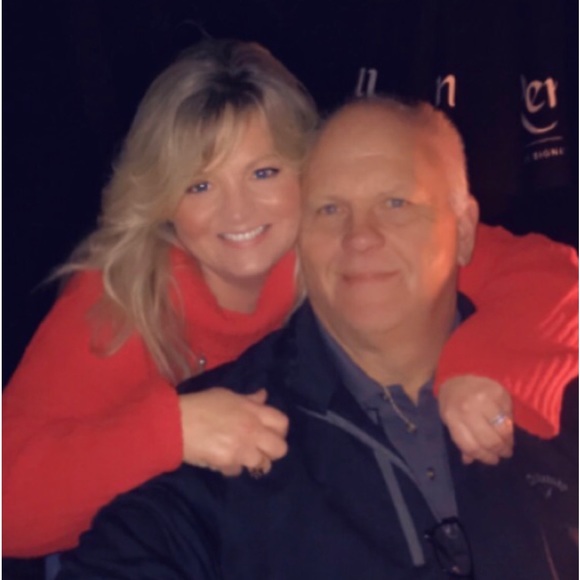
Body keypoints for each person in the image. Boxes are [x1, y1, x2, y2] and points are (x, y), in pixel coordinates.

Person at [3, 40, 578, 558]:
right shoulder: (122, 299)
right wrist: (173, 431)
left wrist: (481, 364)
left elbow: (550, 275)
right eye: (200, 185)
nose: (237, 212)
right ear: (163, 203)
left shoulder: (333, 248)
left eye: (264, 172)